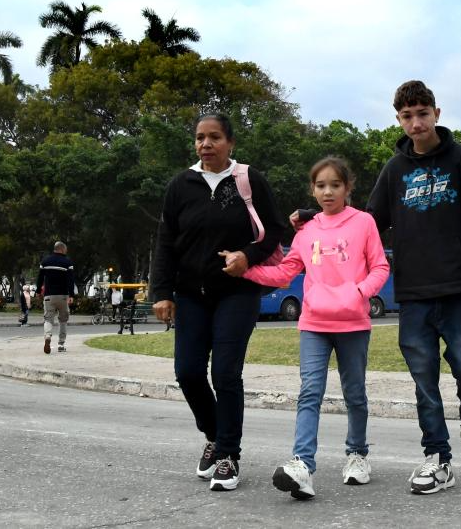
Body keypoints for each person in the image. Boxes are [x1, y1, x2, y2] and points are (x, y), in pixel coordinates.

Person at [366, 80, 461, 494]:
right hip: (414, 293)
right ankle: (437, 457)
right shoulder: (394, 170)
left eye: (422, 113)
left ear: (437, 114)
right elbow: (369, 223)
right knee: (423, 379)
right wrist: (320, 221)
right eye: (407, 116)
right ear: (399, 120)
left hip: (458, 288)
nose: (416, 122)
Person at [151, 112, 288, 492]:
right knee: (188, 372)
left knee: (226, 374)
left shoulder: (248, 180)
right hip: (190, 295)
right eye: (199, 138)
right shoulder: (181, 185)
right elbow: (166, 242)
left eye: (214, 138)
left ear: (230, 143)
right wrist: (161, 293)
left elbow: (274, 230)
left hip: (237, 293)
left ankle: (228, 455)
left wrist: (247, 255)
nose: (205, 145)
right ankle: (215, 434)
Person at [240, 157, 389, 501]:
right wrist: (246, 270)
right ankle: (303, 466)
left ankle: (357, 455)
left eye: (335, 185)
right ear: (312, 189)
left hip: (353, 323)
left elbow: (380, 268)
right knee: (310, 392)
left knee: (355, 393)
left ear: (347, 188)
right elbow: (285, 272)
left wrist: (359, 293)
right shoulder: (306, 231)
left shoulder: (364, 223)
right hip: (314, 324)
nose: (327, 192)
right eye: (320, 186)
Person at [36, 241, 75, 353]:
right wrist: (71, 295)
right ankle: (61, 344)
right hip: (63, 296)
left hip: (49, 295)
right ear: (62, 249)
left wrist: (38, 291)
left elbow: (40, 278)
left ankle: (47, 336)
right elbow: (70, 280)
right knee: (63, 320)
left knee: (48, 318)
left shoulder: (45, 261)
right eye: (66, 250)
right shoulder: (67, 262)